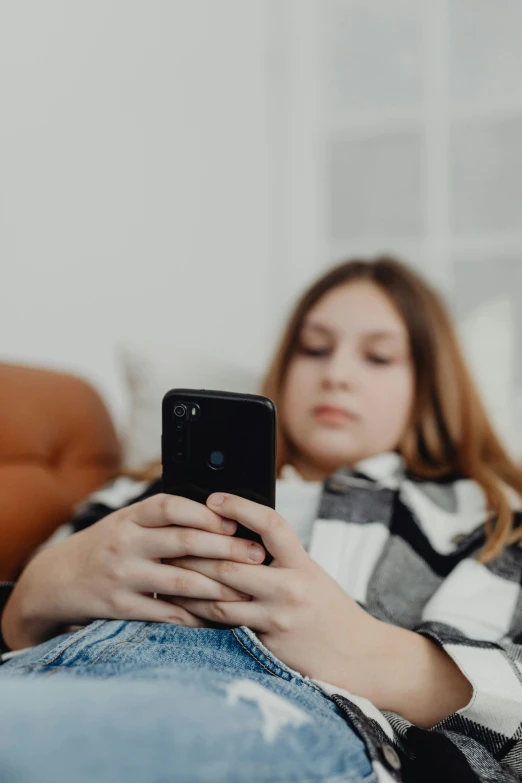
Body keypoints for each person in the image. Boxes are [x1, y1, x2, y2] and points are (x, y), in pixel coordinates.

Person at [0, 256, 521, 783]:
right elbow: (23, 625)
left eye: (379, 357)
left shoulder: (488, 519)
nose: (336, 374)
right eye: (313, 349)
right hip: (54, 667)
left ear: (427, 385)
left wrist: (374, 653)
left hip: (274, 708)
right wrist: (31, 595)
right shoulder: (143, 488)